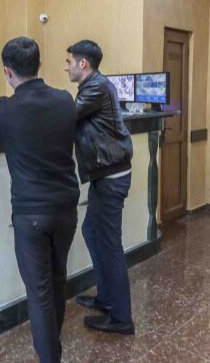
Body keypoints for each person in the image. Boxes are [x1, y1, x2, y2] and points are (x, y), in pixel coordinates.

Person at [0, 37, 80, 363]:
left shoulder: (5, 110)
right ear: (39, 65)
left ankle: (50, 357)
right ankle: (53, 346)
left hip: (31, 213)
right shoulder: (65, 100)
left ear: (7, 71)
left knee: (39, 291)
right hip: (66, 207)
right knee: (57, 278)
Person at [65, 40, 135, 335]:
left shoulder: (96, 87)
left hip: (111, 176)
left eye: (69, 62)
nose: (66, 67)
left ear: (83, 64)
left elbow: (66, 115)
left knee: (109, 245)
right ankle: (106, 298)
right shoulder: (93, 86)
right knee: (91, 232)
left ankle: (121, 318)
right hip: (104, 175)